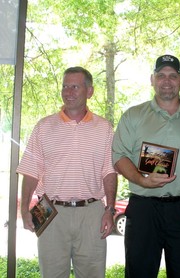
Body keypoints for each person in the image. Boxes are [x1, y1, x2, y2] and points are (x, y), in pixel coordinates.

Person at [17, 66, 118, 278]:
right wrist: (26, 209)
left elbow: (109, 172)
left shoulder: (104, 128)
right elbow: (30, 171)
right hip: (49, 210)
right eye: (65, 86)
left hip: (92, 213)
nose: (68, 92)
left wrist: (109, 209)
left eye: (75, 86)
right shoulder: (44, 127)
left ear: (89, 91)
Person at [112, 54, 180, 278]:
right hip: (143, 209)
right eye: (161, 75)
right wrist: (141, 179)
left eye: (173, 76)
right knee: (139, 273)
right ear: (152, 79)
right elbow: (118, 156)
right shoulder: (133, 116)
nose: (167, 80)